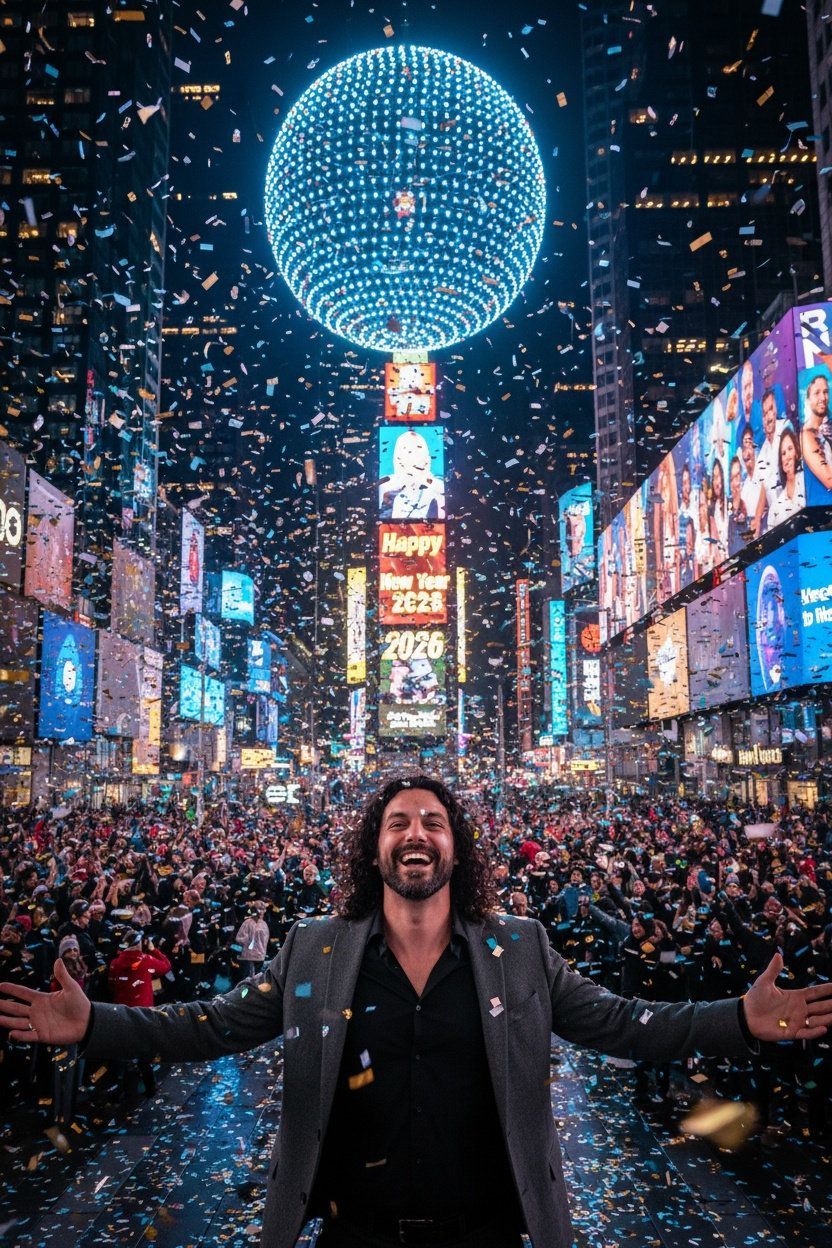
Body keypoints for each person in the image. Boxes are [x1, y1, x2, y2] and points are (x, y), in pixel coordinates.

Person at [1, 776, 831, 1248]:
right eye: (398, 821)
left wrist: (739, 1018)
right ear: (374, 847)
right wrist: (96, 1024)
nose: (416, 834)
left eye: (434, 822)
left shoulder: (523, 948)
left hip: (491, 1232)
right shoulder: (316, 949)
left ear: (456, 848)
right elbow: (208, 1026)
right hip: (353, 1234)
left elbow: (623, 1023)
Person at [766, 424, 805, 530]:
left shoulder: (807, 484)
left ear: (797, 452)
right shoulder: (776, 507)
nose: (787, 456)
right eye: (783, 453)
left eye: (790, 449)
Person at [800, 368, 832, 493]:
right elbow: (829, 480)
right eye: (817, 393)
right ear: (807, 398)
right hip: (821, 507)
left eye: (825, 392)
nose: (823, 397)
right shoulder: (807, 435)